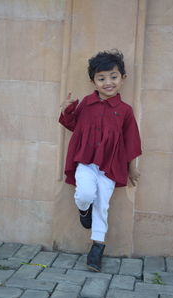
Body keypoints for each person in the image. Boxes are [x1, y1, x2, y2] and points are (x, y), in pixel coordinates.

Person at [59, 49, 142, 272]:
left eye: (113, 77)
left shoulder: (125, 111)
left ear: (122, 79)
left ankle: (97, 248)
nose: (108, 82)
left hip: (110, 166)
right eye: (101, 78)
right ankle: (83, 210)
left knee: (103, 205)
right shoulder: (87, 103)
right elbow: (73, 125)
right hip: (86, 162)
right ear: (93, 81)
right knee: (85, 193)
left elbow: (131, 141)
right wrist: (67, 109)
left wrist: (131, 168)